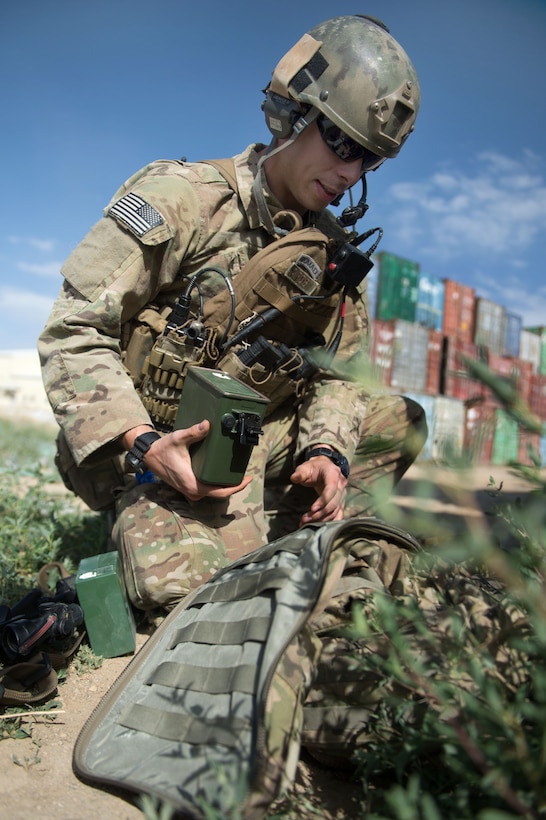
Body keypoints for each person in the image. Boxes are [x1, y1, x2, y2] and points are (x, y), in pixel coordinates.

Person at [38, 14, 427, 610]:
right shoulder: (185, 199)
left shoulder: (335, 259)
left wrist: (326, 452)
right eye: (343, 144)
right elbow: (75, 330)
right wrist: (141, 441)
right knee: (182, 590)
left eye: (369, 161)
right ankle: (172, 517)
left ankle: (306, 537)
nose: (351, 174)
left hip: (254, 440)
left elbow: (337, 376)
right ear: (297, 114)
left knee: (398, 418)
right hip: (159, 443)